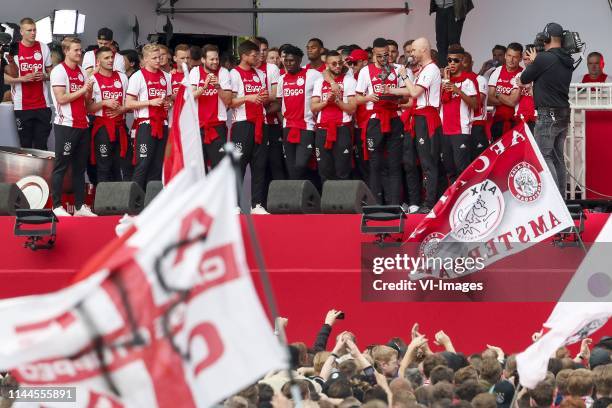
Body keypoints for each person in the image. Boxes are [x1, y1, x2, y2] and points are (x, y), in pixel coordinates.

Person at [518, 22, 574, 195]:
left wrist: (535, 61)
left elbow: (524, 78)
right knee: (558, 158)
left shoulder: (543, 58)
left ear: (547, 38)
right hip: (563, 112)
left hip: (547, 114)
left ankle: (556, 200)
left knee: (544, 156)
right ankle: (562, 200)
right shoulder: (568, 59)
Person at [387, 37, 442, 214]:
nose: (411, 54)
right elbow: (412, 91)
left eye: (413, 51)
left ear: (423, 50)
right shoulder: (423, 70)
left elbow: (415, 92)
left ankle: (429, 202)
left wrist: (403, 76)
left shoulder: (431, 69)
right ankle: (424, 201)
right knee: (419, 161)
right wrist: (390, 90)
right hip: (419, 116)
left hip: (427, 117)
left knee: (428, 162)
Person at [49, 37, 96, 217]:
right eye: (76, 50)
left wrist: (89, 90)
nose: (80, 53)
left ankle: (79, 207)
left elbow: (86, 100)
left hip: (82, 123)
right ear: (66, 51)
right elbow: (61, 98)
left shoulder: (83, 71)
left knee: (80, 168)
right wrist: (84, 89)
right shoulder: (58, 71)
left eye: (80, 50)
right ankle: (56, 206)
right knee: (61, 166)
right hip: (66, 124)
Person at [356, 37, 404, 206]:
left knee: (394, 164)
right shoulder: (365, 71)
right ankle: (375, 204)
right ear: (373, 55)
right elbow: (356, 98)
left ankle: (395, 204)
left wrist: (396, 95)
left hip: (394, 118)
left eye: (386, 55)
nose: (384, 59)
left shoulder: (399, 69)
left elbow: (409, 95)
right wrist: (369, 97)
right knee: (375, 164)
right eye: (380, 56)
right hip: (375, 121)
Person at [229, 40, 269, 214]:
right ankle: (234, 204)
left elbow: (264, 98)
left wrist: (263, 97)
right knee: (239, 165)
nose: (257, 57)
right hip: (242, 125)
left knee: (259, 165)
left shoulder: (260, 74)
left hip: (261, 123)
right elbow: (230, 102)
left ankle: (257, 205)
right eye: (254, 55)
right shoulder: (234, 74)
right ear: (244, 56)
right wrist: (249, 98)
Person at [125, 43, 172, 190]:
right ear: (145, 59)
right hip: (145, 125)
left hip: (162, 124)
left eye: (160, 57)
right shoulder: (137, 76)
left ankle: (152, 202)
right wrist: (150, 102)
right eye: (154, 58)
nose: (158, 60)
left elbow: (169, 100)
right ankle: (135, 202)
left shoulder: (166, 76)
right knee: (143, 163)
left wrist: (167, 105)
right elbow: (128, 104)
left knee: (158, 165)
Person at [4, 17, 53, 150]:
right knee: (25, 145)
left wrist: (45, 76)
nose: (33, 33)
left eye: (34, 30)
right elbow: (6, 78)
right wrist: (22, 79)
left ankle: (41, 171)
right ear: (21, 32)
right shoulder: (13, 49)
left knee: (41, 145)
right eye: (29, 30)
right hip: (22, 106)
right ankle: (27, 172)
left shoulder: (43, 47)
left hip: (43, 105)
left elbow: (53, 74)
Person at [276, 45, 322, 180]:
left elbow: (326, 76)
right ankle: (297, 198)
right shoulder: (281, 79)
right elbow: (279, 104)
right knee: (291, 167)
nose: (288, 63)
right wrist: (283, 120)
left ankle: (305, 194)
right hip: (288, 128)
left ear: (300, 60)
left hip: (306, 127)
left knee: (301, 164)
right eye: (286, 60)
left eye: (292, 61)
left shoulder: (312, 74)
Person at [310, 50, 357, 182]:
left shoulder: (349, 81)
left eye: (340, 63)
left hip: (342, 129)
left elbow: (352, 109)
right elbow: (313, 107)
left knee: (343, 171)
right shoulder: (319, 82)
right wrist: (326, 102)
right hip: (322, 130)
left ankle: (344, 202)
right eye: (334, 63)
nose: (338, 66)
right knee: (324, 171)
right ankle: (327, 202)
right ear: (327, 65)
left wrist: (337, 101)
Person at [88, 47, 129, 182]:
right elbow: (88, 108)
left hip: (121, 127)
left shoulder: (122, 77)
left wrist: (122, 109)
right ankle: (102, 203)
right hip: (103, 128)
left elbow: (130, 105)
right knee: (103, 167)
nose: (110, 60)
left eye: (112, 57)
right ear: (98, 61)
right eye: (106, 58)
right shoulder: (92, 79)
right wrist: (104, 103)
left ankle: (120, 202)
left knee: (120, 167)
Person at [190, 44, 232, 170]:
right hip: (197, 126)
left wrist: (218, 87)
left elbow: (229, 100)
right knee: (199, 168)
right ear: (203, 60)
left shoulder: (224, 72)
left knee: (219, 167)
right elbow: (189, 98)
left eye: (217, 59)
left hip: (217, 126)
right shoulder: (195, 72)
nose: (215, 62)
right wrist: (204, 87)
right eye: (211, 59)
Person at [440, 45, 478, 183]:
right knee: (449, 169)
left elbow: (475, 105)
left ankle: (464, 200)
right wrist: (446, 79)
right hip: (445, 131)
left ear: (462, 61)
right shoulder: (444, 80)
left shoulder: (468, 81)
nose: (452, 63)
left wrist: (458, 91)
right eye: (449, 60)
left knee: (462, 169)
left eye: (455, 60)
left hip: (461, 130)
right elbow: (442, 101)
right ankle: (452, 201)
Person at [250, 37, 284, 183]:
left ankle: (281, 202)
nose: (261, 53)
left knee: (276, 163)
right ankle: (259, 202)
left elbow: (277, 97)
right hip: (252, 123)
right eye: (258, 50)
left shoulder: (272, 68)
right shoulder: (243, 70)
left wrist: (260, 106)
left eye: (264, 50)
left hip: (271, 122)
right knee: (258, 165)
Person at [488, 42, 523, 141]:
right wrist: (507, 98)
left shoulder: (522, 73)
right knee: (497, 154)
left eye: (515, 57)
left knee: (514, 155)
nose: (511, 60)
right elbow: (489, 99)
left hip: (516, 122)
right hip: (497, 121)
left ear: (520, 58)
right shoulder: (497, 71)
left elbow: (512, 102)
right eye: (509, 56)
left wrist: (498, 93)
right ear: (505, 56)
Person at [345, 48, 370, 183]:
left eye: (355, 63)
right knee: (359, 164)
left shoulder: (372, 76)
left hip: (370, 125)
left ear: (365, 62)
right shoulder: (350, 78)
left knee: (372, 164)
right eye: (350, 64)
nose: (352, 66)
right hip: (355, 126)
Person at [430, 0, 474, 67]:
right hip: (440, 8)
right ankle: (443, 69)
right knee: (441, 43)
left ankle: (457, 70)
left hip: (453, 8)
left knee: (453, 42)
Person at [463, 51, 489, 159]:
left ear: (471, 63)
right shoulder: (453, 82)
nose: (461, 65)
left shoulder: (480, 79)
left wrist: (459, 92)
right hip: (461, 126)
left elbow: (477, 102)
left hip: (476, 124)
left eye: (464, 62)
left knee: (478, 159)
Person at [514, 45, 537, 133]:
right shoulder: (519, 75)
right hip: (520, 116)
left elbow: (543, 100)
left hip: (536, 116)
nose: (527, 62)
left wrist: (528, 87)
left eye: (529, 59)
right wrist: (520, 87)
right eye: (524, 59)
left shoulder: (542, 76)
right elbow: (514, 100)